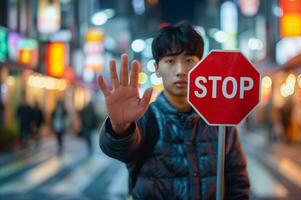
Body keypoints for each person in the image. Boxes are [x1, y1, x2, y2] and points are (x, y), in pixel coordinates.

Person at [98, 22, 250, 199]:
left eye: (189, 61)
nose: (181, 71)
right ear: (156, 68)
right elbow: (120, 150)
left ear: (201, 65)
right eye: (170, 61)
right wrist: (120, 126)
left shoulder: (219, 121)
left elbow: (237, 182)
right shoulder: (145, 117)